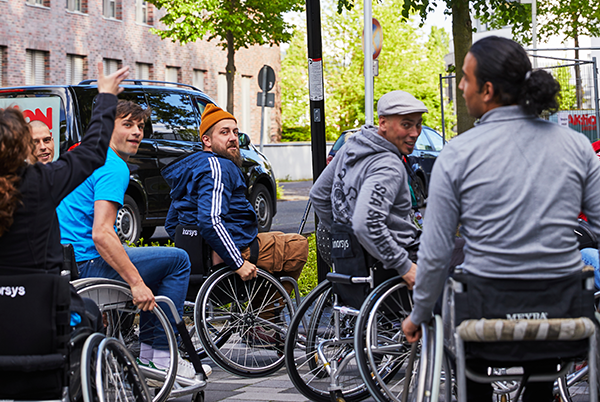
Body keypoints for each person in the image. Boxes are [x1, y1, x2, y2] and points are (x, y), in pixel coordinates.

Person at [402, 36, 600, 401]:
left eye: (465, 78)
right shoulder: (576, 147)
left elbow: (435, 249)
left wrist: (418, 314)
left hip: (485, 314)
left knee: (473, 356)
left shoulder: (459, 154)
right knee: (543, 358)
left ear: (487, 89)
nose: (461, 86)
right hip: (564, 312)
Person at [56, 99, 202, 378]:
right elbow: (101, 233)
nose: (137, 132)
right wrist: (136, 283)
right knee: (177, 260)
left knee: (143, 257)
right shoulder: (113, 166)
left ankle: (147, 348)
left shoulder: (79, 154)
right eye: (127, 124)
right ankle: (157, 355)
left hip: (64, 261)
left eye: (141, 126)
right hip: (88, 264)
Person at [0, 62, 129, 326]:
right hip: (44, 314)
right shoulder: (43, 181)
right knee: (90, 315)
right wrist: (105, 96)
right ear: (24, 145)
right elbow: (93, 150)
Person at [161, 104, 308, 328]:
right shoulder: (218, 167)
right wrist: (236, 262)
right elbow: (210, 220)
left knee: (275, 237)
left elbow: (173, 224)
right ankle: (262, 323)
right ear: (206, 140)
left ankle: (258, 317)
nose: (233, 138)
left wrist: (196, 246)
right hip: (232, 251)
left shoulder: (190, 168)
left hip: (201, 258)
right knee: (298, 245)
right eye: (224, 132)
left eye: (235, 132)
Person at [309, 90, 428, 288]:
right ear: (383, 123)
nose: (415, 133)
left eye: (418, 124)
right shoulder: (388, 165)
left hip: (351, 256)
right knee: (461, 255)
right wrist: (404, 266)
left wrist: (346, 236)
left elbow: (318, 194)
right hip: (400, 253)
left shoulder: (349, 147)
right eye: (406, 125)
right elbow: (366, 223)